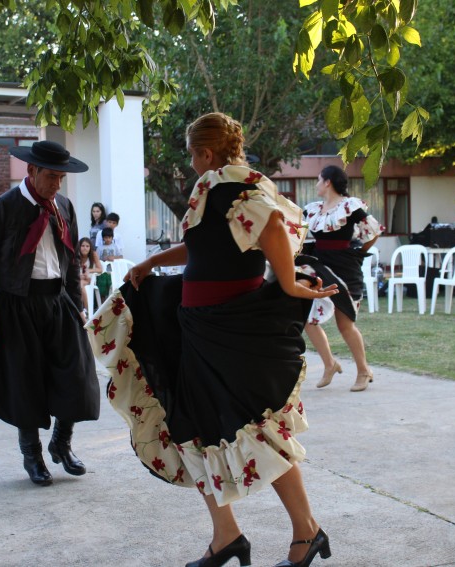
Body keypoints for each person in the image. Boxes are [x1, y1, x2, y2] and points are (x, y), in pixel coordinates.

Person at [93, 113, 338, 567]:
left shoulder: (248, 192)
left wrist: (297, 287)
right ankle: (227, 536)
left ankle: (307, 531)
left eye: (191, 154)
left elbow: (275, 248)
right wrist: (152, 262)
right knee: (190, 427)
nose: (190, 163)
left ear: (205, 153)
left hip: (233, 332)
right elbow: (202, 247)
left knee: (256, 429)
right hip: (196, 328)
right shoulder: (209, 189)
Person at [0, 140, 100, 487]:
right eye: (52, 177)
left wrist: (77, 304)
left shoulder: (64, 206)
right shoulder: (5, 207)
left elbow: (71, 259)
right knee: (24, 380)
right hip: (16, 303)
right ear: (31, 171)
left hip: (57, 300)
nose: (57, 184)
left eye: (62, 178)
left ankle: (62, 442)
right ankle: (32, 453)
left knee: (77, 375)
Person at [303, 166, 382, 393]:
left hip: (346, 271)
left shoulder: (350, 206)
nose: (316, 184)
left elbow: (373, 230)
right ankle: (330, 364)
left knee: (345, 324)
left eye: (318, 180)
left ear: (328, 182)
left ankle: (363, 371)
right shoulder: (314, 210)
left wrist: (358, 253)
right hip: (321, 269)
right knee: (310, 319)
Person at [76, 236, 103, 313]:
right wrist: (78, 276)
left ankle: (86, 309)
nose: (85, 248)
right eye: (83, 246)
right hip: (79, 278)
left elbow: (100, 269)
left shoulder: (93, 254)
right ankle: (82, 309)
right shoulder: (76, 255)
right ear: (79, 247)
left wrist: (89, 270)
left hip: (90, 279)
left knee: (80, 284)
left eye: (87, 246)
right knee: (79, 284)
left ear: (90, 247)